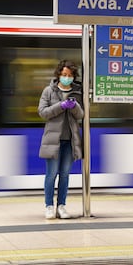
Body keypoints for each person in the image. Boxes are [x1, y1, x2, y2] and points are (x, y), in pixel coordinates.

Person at [38, 59, 84, 219]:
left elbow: (81, 115)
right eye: (64, 74)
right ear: (58, 74)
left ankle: (62, 206)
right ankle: (49, 206)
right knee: (51, 174)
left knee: (65, 175)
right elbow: (43, 112)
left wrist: (74, 106)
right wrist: (61, 106)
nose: (67, 77)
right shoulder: (48, 91)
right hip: (53, 141)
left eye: (70, 75)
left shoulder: (78, 92)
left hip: (70, 141)